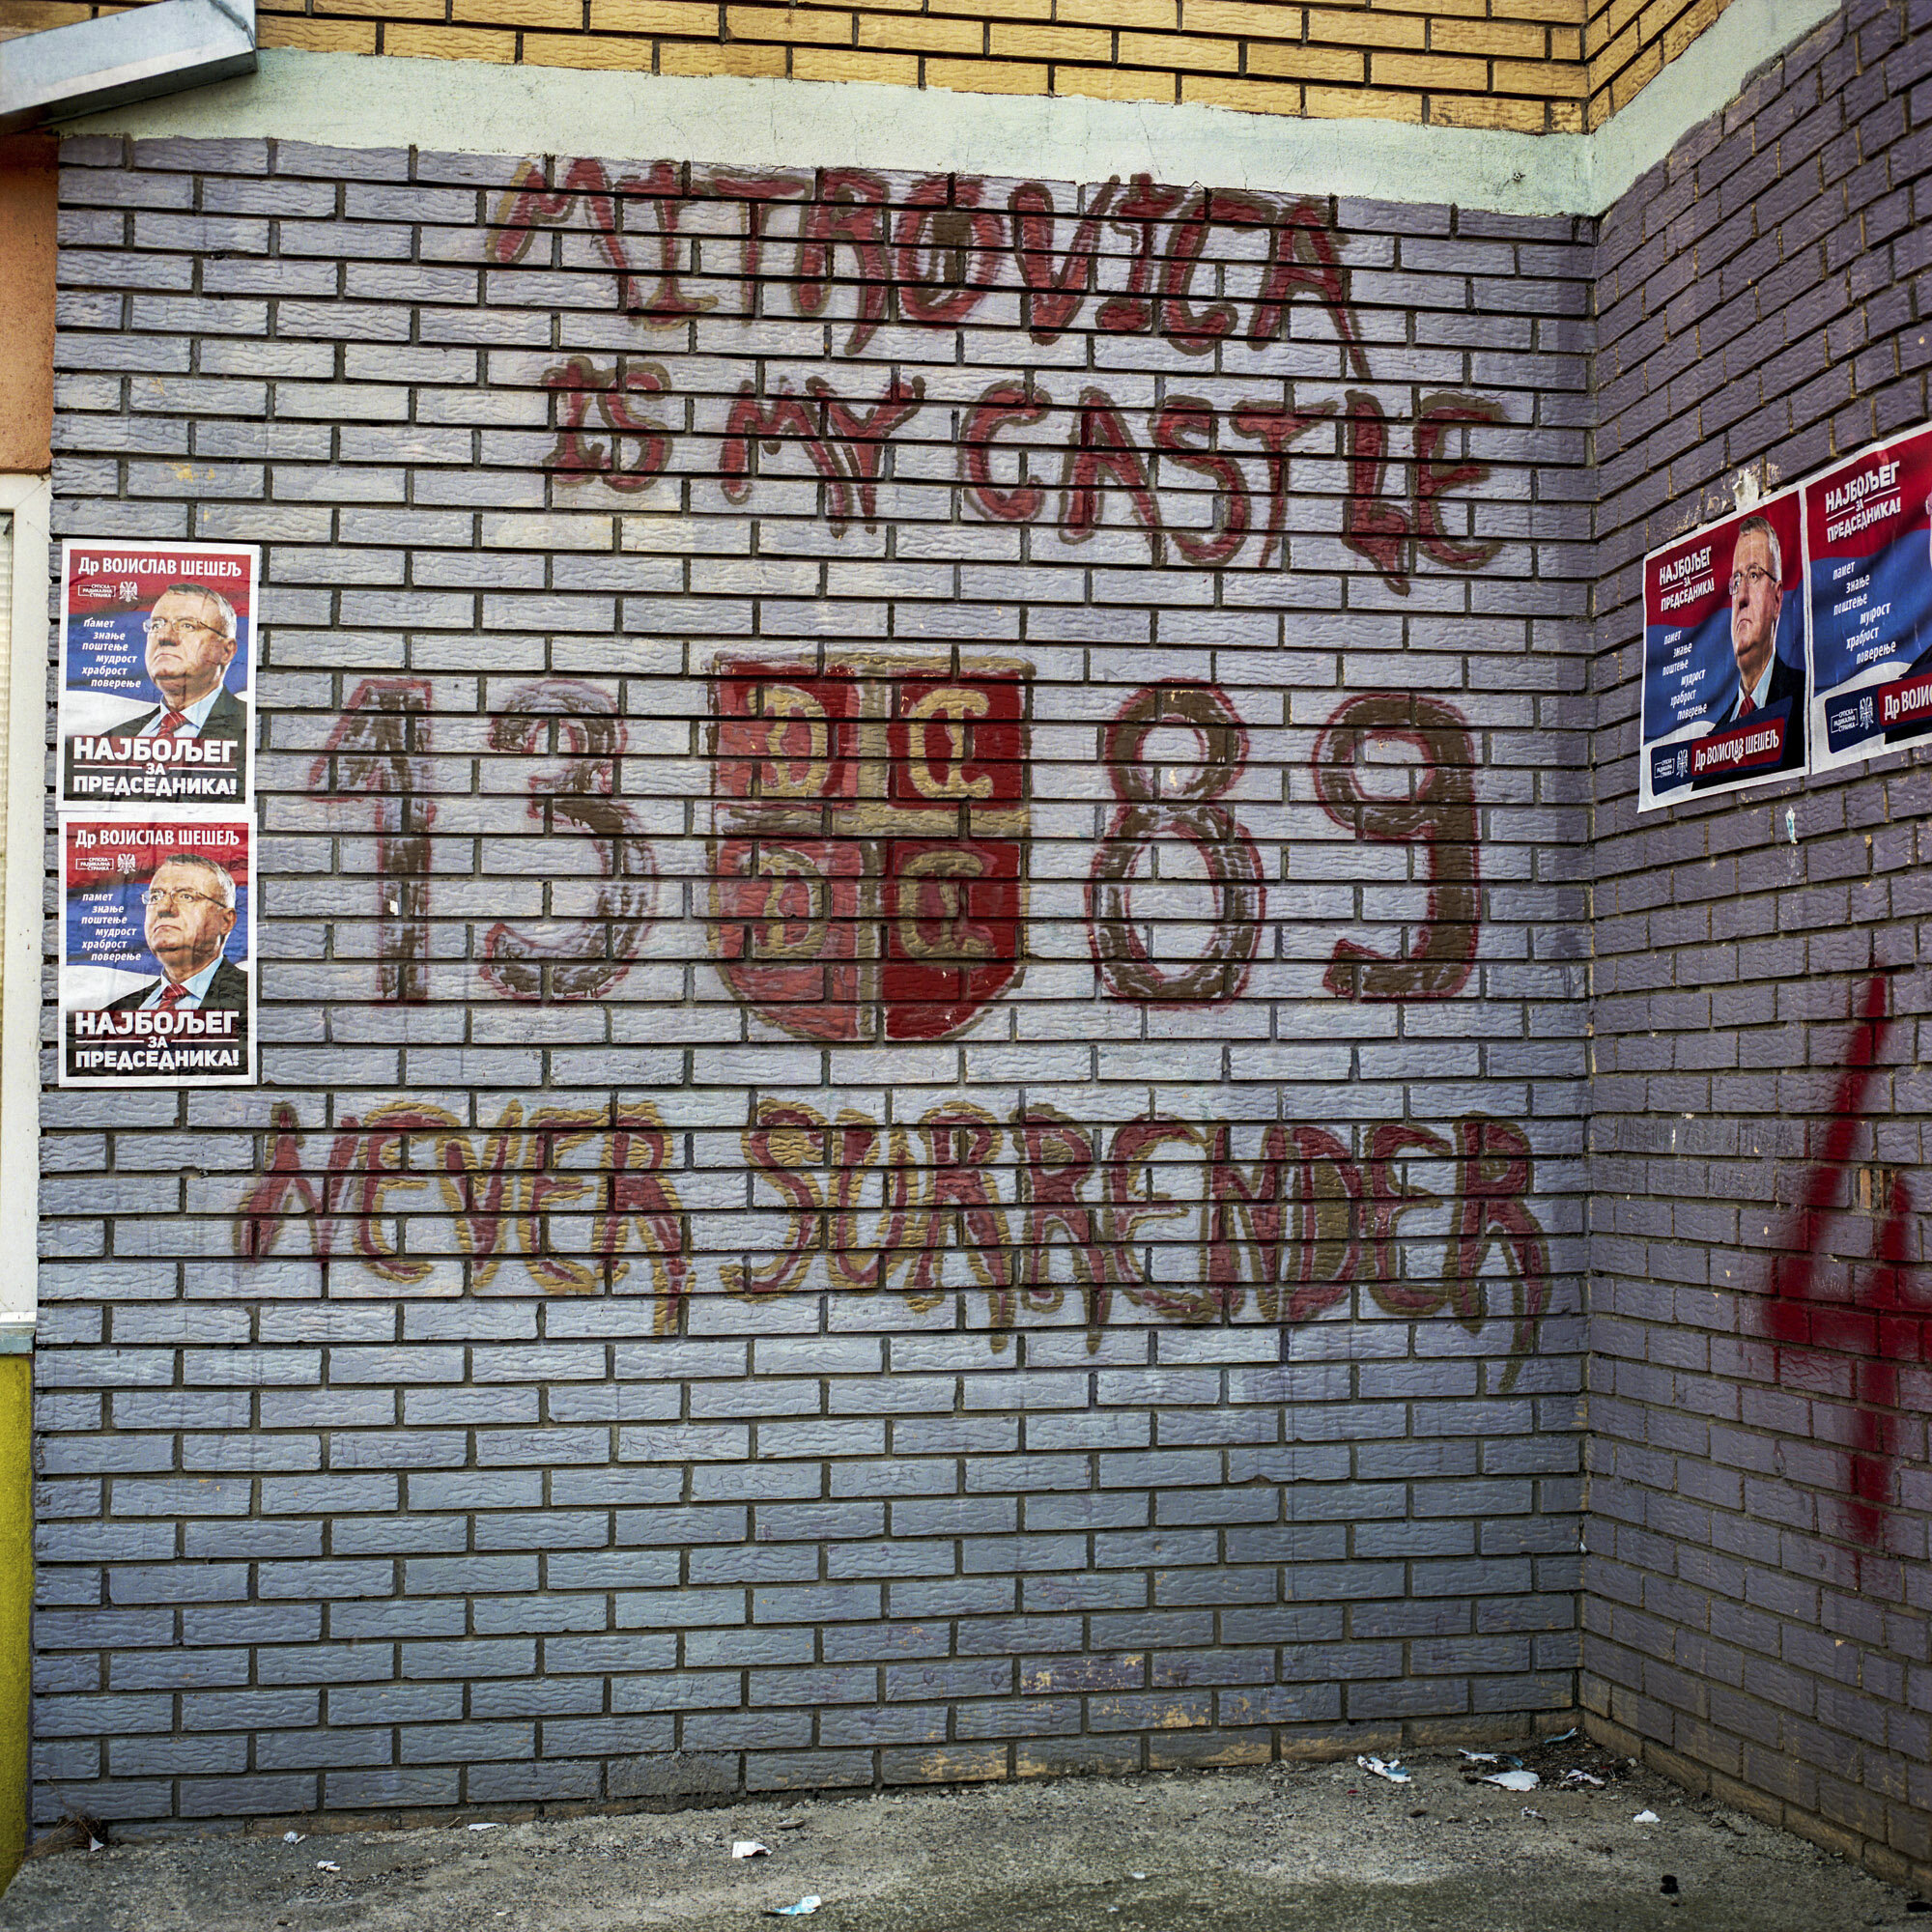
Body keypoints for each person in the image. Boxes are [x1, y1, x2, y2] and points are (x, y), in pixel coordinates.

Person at [105, 854, 248, 1026]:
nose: (163, 908)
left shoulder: (252, 997)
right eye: (155, 897)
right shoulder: (114, 1014)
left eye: (186, 896)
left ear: (226, 921)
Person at [121, 582, 249, 750]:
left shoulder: (249, 725)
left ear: (226, 651)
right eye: (156, 625)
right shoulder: (116, 738)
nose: (164, 636)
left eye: (187, 625)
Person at [1720, 513, 1804, 766]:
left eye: (1754, 575)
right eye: (1736, 581)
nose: (1741, 596)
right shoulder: (1715, 738)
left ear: (1777, 599)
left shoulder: (1803, 701)